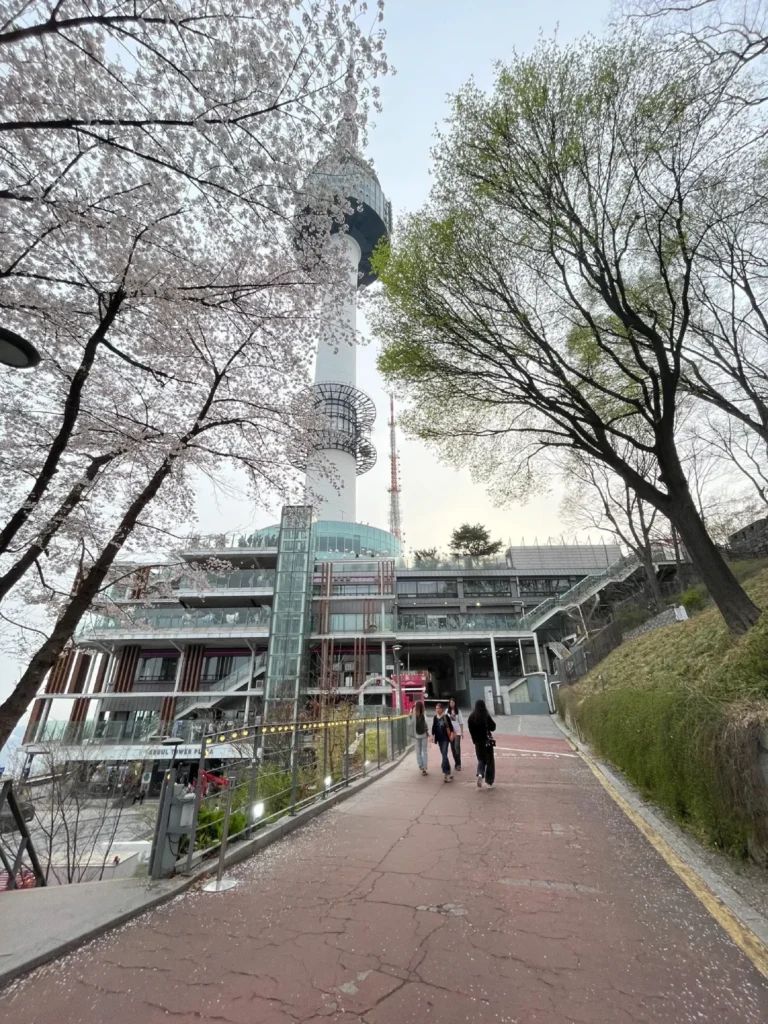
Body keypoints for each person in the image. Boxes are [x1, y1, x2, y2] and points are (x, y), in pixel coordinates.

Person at [467, 699, 497, 789]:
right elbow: (493, 727)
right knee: (490, 761)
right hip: (487, 741)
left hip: (478, 742)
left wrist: (474, 740)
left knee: (481, 759)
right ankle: (489, 782)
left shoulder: (471, 717)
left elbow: (471, 731)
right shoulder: (485, 715)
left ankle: (480, 773)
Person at [431, 702, 455, 782]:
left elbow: (451, 727)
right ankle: (448, 771)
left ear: (442, 709)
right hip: (439, 739)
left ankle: (446, 774)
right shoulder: (435, 717)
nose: (437, 710)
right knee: (444, 754)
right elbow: (434, 727)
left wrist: (451, 734)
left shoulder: (446, 717)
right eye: (436, 708)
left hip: (445, 739)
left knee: (444, 754)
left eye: (438, 708)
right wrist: (432, 736)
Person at [409, 701, 429, 775]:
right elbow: (427, 726)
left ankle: (421, 766)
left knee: (418, 752)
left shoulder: (414, 716)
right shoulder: (424, 715)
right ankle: (425, 766)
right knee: (424, 751)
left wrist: (410, 713)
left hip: (417, 736)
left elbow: (409, 723)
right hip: (424, 736)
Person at [447, 697, 464, 771]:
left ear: (455, 703)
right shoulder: (447, 711)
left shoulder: (458, 711)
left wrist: (462, 732)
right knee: (453, 748)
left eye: (453, 702)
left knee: (457, 747)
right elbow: (445, 722)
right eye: (450, 702)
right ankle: (456, 762)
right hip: (450, 732)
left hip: (457, 732)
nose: (451, 703)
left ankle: (458, 764)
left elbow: (461, 722)